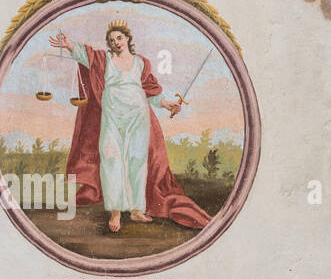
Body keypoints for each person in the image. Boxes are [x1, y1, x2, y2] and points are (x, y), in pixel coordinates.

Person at [50, 23, 211, 234]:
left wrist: (168, 104)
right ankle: (115, 212)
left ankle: (136, 210)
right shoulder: (104, 59)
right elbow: (85, 54)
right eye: (111, 40)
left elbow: (152, 92)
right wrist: (69, 45)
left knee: (136, 161)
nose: (115, 43)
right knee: (111, 160)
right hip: (112, 117)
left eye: (119, 38)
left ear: (127, 38)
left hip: (138, 117)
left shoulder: (141, 63)